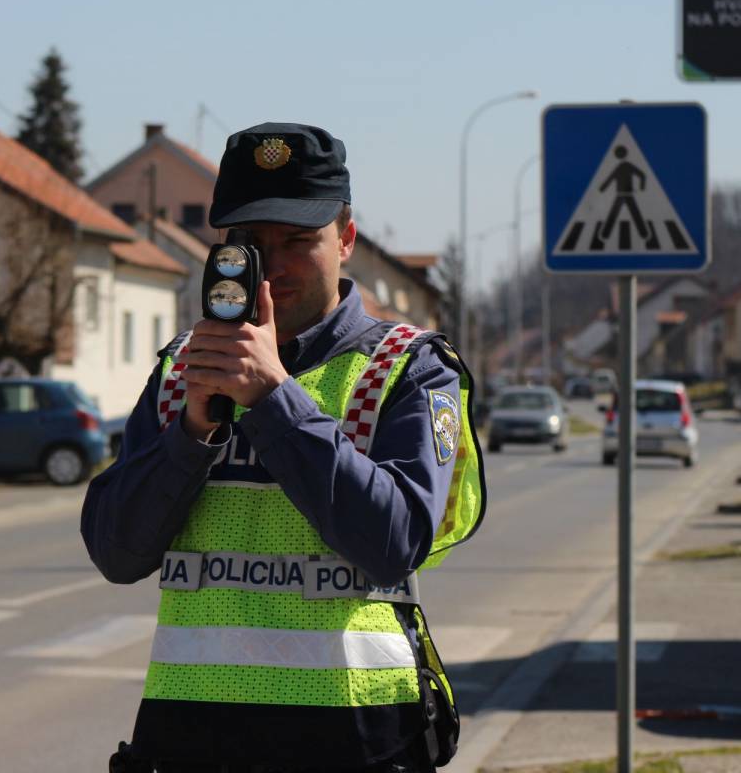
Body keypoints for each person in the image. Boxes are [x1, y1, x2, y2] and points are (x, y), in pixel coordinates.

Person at [81, 123, 486, 772]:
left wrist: (274, 400)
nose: (275, 267)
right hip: (191, 739)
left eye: (299, 241)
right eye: (250, 244)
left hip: (357, 741)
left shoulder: (407, 370)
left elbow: (393, 542)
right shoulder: (186, 370)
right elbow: (116, 552)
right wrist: (191, 436)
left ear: (346, 239)